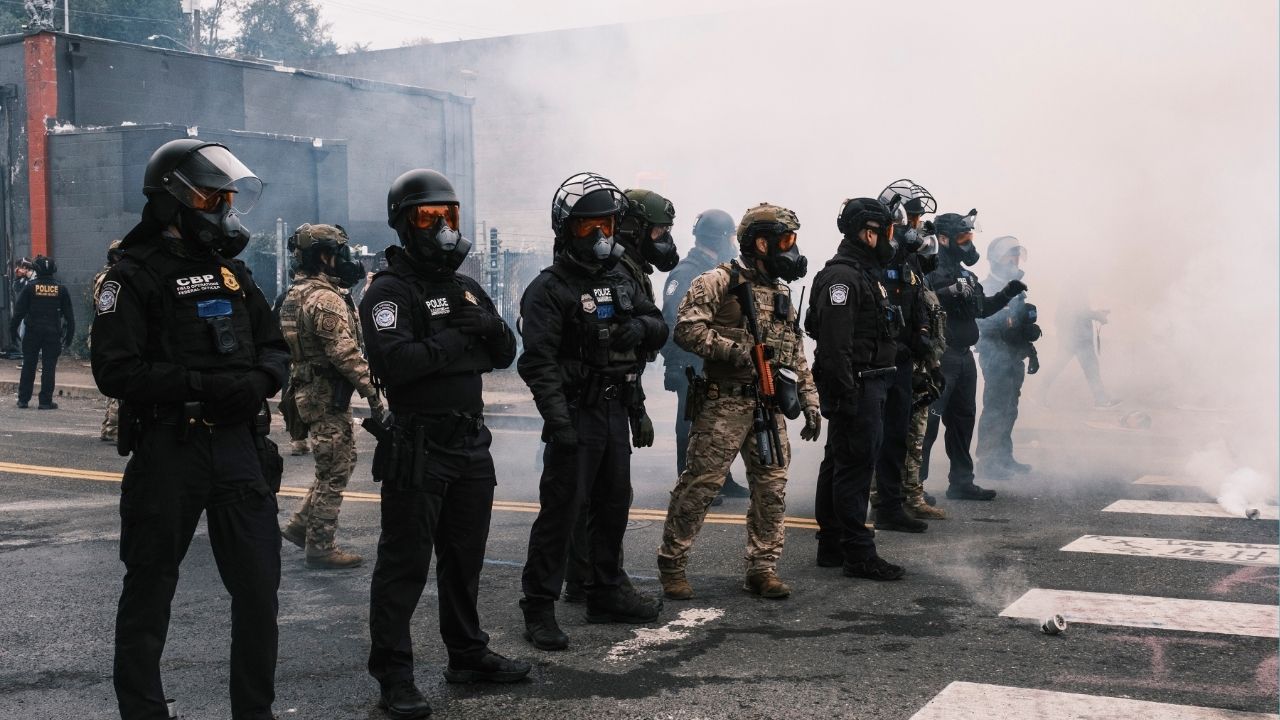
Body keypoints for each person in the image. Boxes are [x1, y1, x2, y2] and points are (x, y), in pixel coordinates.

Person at [91, 138, 287, 720]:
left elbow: (274, 346)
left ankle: (255, 712)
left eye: (226, 200)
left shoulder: (232, 276)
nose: (222, 212)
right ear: (172, 202)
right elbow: (115, 371)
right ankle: (143, 712)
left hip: (236, 447)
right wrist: (199, 384)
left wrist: (259, 382)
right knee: (150, 588)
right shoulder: (130, 278)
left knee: (258, 592)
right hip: (169, 448)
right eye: (211, 199)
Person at [361, 169, 530, 719]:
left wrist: (480, 323)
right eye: (430, 217)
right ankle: (394, 675)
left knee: (464, 559)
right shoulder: (389, 290)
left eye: (450, 217)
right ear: (405, 223)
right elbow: (399, 365)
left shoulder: (464, 285)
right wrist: (462, 337)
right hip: (420, 446)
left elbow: (504, 352)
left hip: (469, 443)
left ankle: (466, 653)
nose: (444, 228)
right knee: (404, 565)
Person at [517, 171, 668, 651]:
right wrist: (558, 421)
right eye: (587, 227)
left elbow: (658, 324)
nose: (599, 236)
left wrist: (639, 331)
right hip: (576, 413)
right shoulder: (548, 289)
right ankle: (538, 607)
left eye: (605, 225)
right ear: (566, 231)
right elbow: (537, 363)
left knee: (612, 506)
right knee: (561, 514)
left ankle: (606, 592)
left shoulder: (622, 276)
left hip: (615, 409)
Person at [656, 202, 820, 601]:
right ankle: (672, 564)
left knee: (771, 489)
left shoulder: (780, 292)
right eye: (784, 241)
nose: (790, 249)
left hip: (768, 406)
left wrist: (810, 399)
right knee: (700, 486)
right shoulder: (717, 281)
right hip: (723, 404)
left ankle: (762, 568)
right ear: (759, 243)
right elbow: (686, 331)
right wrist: (737, 350)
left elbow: (794, 352)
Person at [562, 187, 676, 603]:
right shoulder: (613, 269)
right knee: (592, 496)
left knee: (603, 494)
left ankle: (590, 576)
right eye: (658, 231)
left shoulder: (627, 268)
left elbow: (647, 329)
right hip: (587, 400)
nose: (663, 240)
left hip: (614, 395)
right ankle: (587, 578)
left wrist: (635, 404)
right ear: (636, 228)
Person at [807, 198, 915, 579]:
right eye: (885, 232)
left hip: (868, 382)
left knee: (839, 462)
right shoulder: (844, 278)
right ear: (867, 233)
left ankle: (833, 545)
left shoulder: (864, 273)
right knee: (853, 466)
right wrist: (847, 393)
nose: (891, 240)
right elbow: (835, 346)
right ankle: (857, 552)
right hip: (859, 384)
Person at [279, 223, 385, 570]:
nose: (345, 260)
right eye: (338, 252)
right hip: (324, 395)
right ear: (324, 256)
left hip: (312, 392)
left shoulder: (297, 292)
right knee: (335, 469)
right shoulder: (324, 298)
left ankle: (299, 526)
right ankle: (320, 545)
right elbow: (345, 353)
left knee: (337, 462)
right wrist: (374, 395)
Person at [921, 211, 1026, 501]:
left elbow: (982, 308)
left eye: (970, 237)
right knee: (928, 424)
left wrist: (1006, 294)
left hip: (964, 357)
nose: (968, 243)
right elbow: (921, 301)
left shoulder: (965, 273)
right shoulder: (928, 269)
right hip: (940, 357)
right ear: (943, 239)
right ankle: (914, 487)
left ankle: (961, 482)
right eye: (962, 237)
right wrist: (949, 291)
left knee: (963, 420)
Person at [660, 208, 751, 504]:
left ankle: (721, 480)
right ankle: (690, 486)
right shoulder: (688, 271)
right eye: (730, 238)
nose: (734, 244)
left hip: (711, 359)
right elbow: (673, 321)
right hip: (690, 361)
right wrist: (674, 365)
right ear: (720, 238)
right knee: (690, 424)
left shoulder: (719, 269)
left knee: (715, 425)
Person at [975, 235, 1041, 478]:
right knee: (995, 407)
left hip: (1013, 356)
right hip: (995, 355)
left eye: (1016, 255)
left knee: (1010, 408)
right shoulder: (986, 287)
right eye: (1008, 255)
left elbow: (1020, 321)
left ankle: (1004, 457)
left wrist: (1030, 348)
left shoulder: (1016, 289)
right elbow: (981, 323)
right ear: (996, 259)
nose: (1014, 259)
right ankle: (987, 462)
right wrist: (1004, 329)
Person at [10, 255, 74, 409]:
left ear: (36, 270)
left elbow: (18, 313)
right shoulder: (61, 289)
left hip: (32, 333)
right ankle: (45, 401)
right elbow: (69, 317)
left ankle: (23, 400)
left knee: (29, 366)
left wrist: (13, 333)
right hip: (53, 333)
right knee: (49, 367)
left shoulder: (30, 287)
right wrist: (69, 337)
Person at [1038, 288, 1117, 407]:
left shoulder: (1072, 289)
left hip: (1072, 336)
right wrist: (1097, 315)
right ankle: (1101, 401)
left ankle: (1037, 395)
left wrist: (1096, 313)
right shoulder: (1076, 288)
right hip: (1078, 338)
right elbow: (1079, 311)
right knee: (1091, 368)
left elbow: (1077, 311)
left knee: (1058, 366)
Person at [92, 241, 125, 439]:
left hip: (105, 332)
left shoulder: (103, 275)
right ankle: (113, 428)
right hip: (112, 333)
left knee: (112, 382)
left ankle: (107, 427)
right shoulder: (111, 277)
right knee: (117, 381)